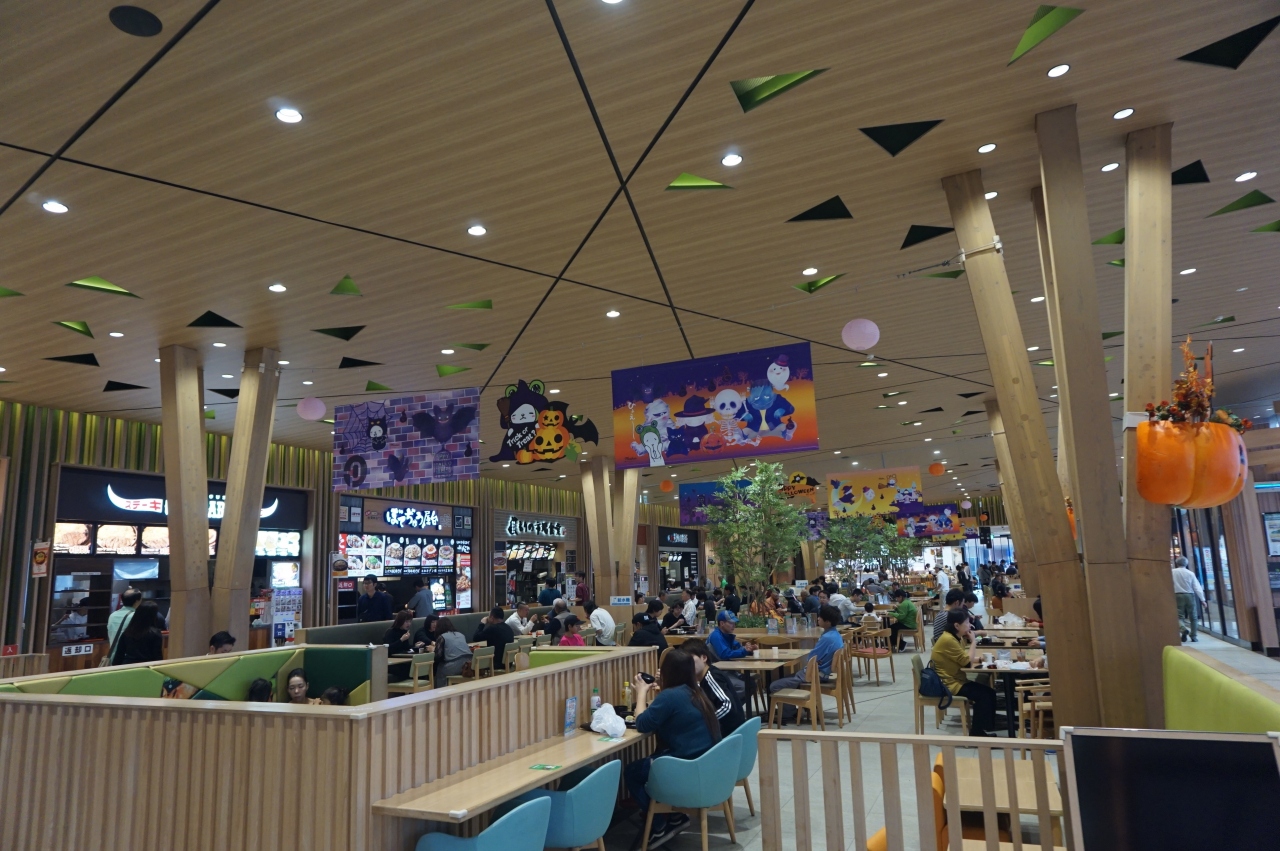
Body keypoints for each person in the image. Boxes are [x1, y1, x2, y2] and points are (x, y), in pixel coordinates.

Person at [625, 649, 721, 846]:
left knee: (632, 772)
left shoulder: (670, 696)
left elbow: (642, 723)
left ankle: (658, 823)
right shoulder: (696, 691)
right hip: (706, 765)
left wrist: (641, 693)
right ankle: (676, 816)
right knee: (656, 758)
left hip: (685, 768)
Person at [769, 605, 844, 723]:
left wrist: (813, 661)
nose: (818, 619)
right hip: (823, 673)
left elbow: (812, 658)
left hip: (815, 674)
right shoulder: (835, 635)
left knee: (775, 685)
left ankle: (788, 714)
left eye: (820, 617)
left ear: (828, 622)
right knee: (787, 679)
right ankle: (792, 711)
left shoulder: (827, 638)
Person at [930, 609, 996, 736]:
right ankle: (977, 733)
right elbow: (967, 663)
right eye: (966, 623)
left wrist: (980, 659)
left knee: (990, 692)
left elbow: (961, 658)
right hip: (949, 684)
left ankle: (985, 728)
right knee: (984, 695)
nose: (970, 625)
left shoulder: (955, 637)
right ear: (956, 625)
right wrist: (973, 642)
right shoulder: (948, 639)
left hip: (957, 679)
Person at [680, 638, 745, 736]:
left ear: (704, 658)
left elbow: (727, 706)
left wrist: (704, 723)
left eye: (691, 659)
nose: (687, 664)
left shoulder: (711, 677)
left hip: (729, 735)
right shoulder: (703, 677)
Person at [1171, 556, 1206, 642]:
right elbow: (1196, 587)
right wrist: (1202, 599)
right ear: (1186, 564)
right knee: (1193, 617)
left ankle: (1183, 629)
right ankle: (1193, 636)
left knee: (1179, 616)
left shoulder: (1172, 572)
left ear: (1176, 563)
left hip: (1177, 595)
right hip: (1190, 595)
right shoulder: (1190, 573)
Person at [433, 618, 473, 687]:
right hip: (469, 664)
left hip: (454, 666)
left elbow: (438, 657)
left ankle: (440, 691)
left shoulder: (442, 637)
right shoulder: (461, 634)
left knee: (440, 669)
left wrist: (434, 650)